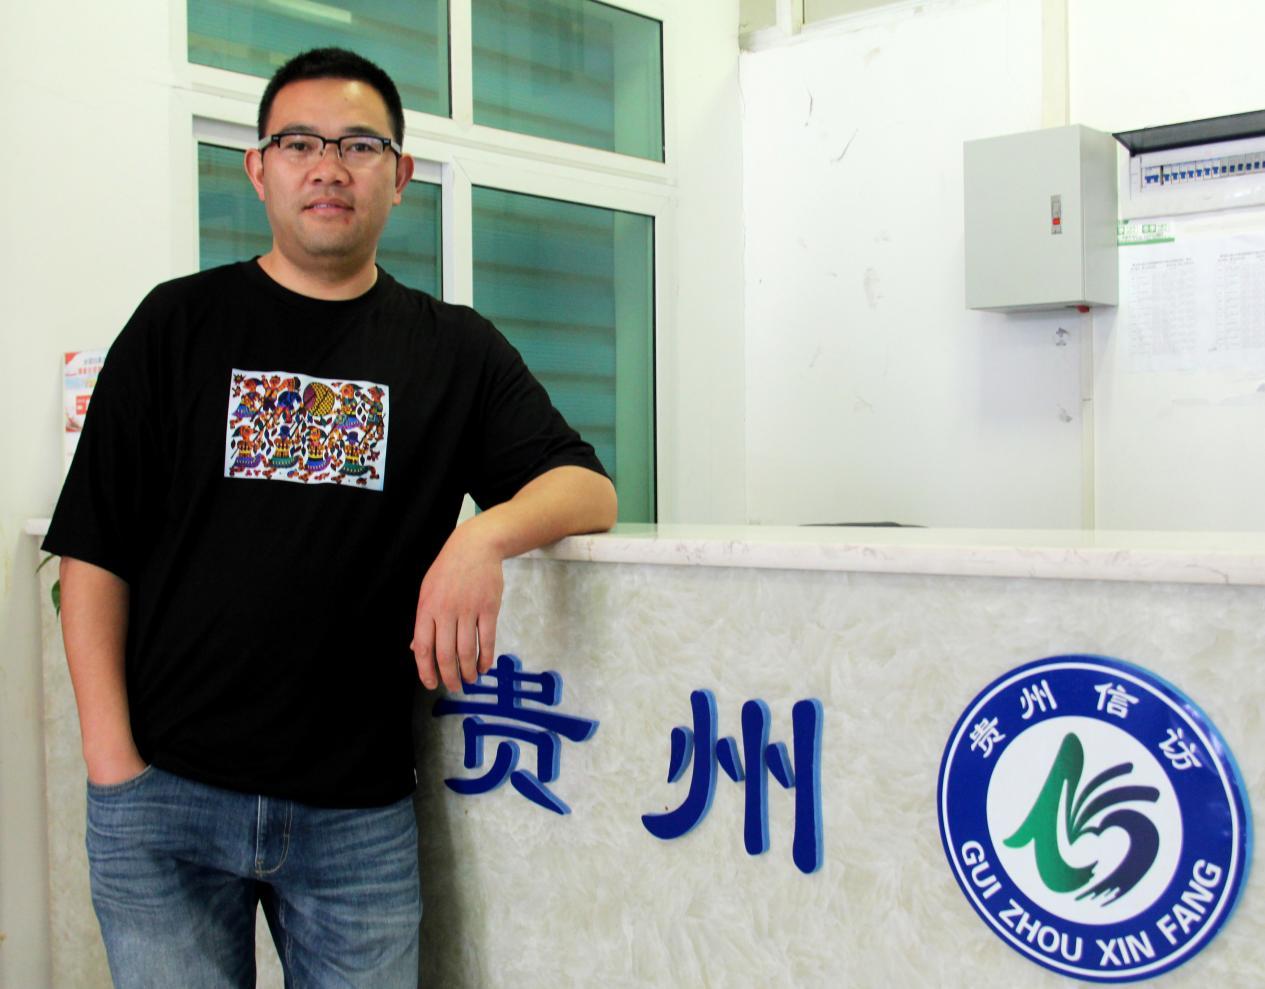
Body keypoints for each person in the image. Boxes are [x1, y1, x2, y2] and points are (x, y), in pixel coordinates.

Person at [43, 46, 617, 988]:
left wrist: (481, 534)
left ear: (400, 175)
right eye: (299, 142)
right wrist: (114, 768)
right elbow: (94, 550)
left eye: (358, 144)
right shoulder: (176, 325)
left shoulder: (454, 349)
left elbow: (585, 487)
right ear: (257, 167)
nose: (328, 166)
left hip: (356, 816)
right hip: (167, 799)